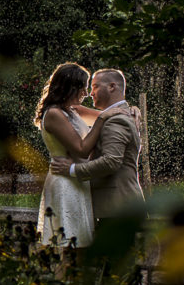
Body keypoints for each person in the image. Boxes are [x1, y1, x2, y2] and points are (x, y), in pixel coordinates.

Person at [34, 63, 130, 247]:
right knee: (69, 245)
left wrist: (132, 111)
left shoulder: (71, 111)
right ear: (70, 87)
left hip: (77, 180)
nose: (86, 93)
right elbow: (81, 148)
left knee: (80, 245)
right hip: (65, 181)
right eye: (84, 87)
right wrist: (102, 119)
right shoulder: (54, 114)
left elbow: (114, 115)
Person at [49, 68, 144, 219]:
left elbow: (111, 161)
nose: (89, 93)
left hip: (117, 205)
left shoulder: (117, 119)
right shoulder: (108, 116)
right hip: (108, 203)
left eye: (94, 87)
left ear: (112, 87)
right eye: (86, 88)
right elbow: (101, 117)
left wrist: (72, 169)